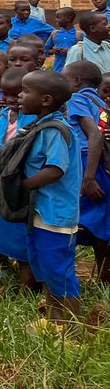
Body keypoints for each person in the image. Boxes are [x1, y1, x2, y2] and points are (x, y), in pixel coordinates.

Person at [18, 71, 81, 331]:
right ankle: (54, 319)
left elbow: (55, 169)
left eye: (25, 91)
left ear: (45, 100)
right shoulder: (42, 125)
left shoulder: (55, 131)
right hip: (41, 210)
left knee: (58, 269)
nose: (20, 96)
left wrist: (24, 185)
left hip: (56, 213)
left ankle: (72, 327)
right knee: (44, 265)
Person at [0, 67, 36, 291]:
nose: (12, 99)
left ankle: (28, 286)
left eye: (18, 94)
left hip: (22, 182)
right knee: (5, 226)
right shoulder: (1, 116)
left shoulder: (33, 118)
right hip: (3, 180)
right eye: (6, 94)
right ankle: (6, 267)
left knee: (22, 232)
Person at [62, 61, 110, 283]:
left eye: (64, 78)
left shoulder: (77, 99)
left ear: (77, 81)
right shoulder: (99, 101)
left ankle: (66, 278)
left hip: (87, 164)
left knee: (77, 221)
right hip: (101, 164)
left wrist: (89, 178)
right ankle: (103, 277)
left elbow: (95, 136)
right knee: (101, 222)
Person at [45, 7, 79, 74]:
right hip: (57, 70)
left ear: (69, 18)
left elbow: (83, 51)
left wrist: (69, 51)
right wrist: (53, 51)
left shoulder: (79, 35)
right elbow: (46, 49)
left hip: (73, 71)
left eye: (58, 17)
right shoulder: (55, 34)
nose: (56, 19)